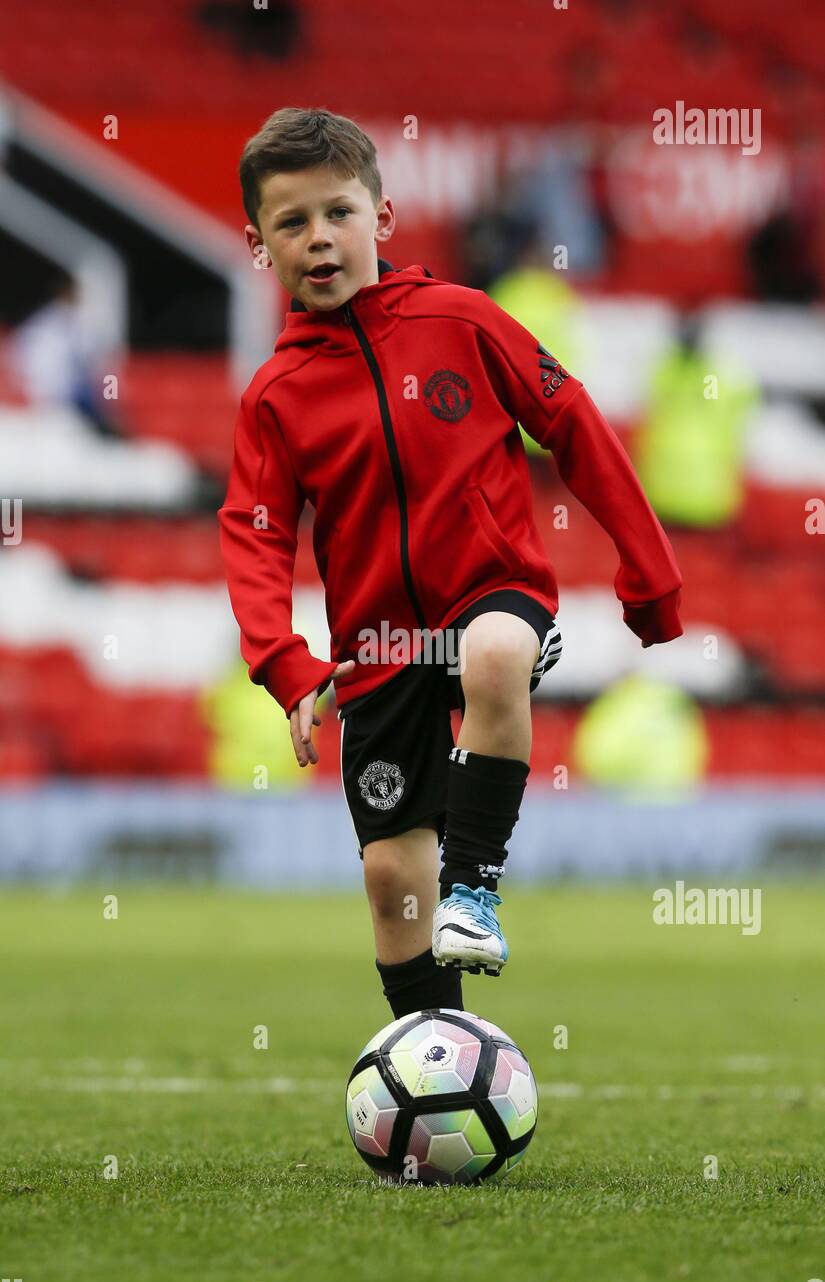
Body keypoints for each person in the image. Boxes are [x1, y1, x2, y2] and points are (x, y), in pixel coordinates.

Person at [218, 107, 683, 1021]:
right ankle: (432, 1062)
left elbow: (574, 426)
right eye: (291, 223)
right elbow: (256, 531)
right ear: (257, 243)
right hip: (378, 642)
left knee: (497, 655)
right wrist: (283, 660)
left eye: (338, 213)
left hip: (490, 590)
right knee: (392, 874)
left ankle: (473, 890)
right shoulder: (274, 395)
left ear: (381, 219)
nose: (319, 239)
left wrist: (650, 574)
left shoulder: (464, 321)